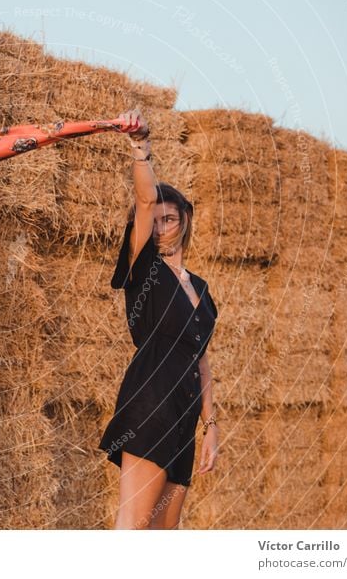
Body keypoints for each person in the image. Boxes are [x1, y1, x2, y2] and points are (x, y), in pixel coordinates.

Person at [98, 108, 220, 530]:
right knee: (133, 527)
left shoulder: (202, 291)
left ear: (185, 220)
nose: (162, 227)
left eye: (170, 219)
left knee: (162, 536)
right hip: (150, 400)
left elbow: (201, 361)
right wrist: (141, 146)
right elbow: (146, 199)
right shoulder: (144, 269)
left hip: (185, 414)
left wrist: (212, 427)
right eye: (155, 221)